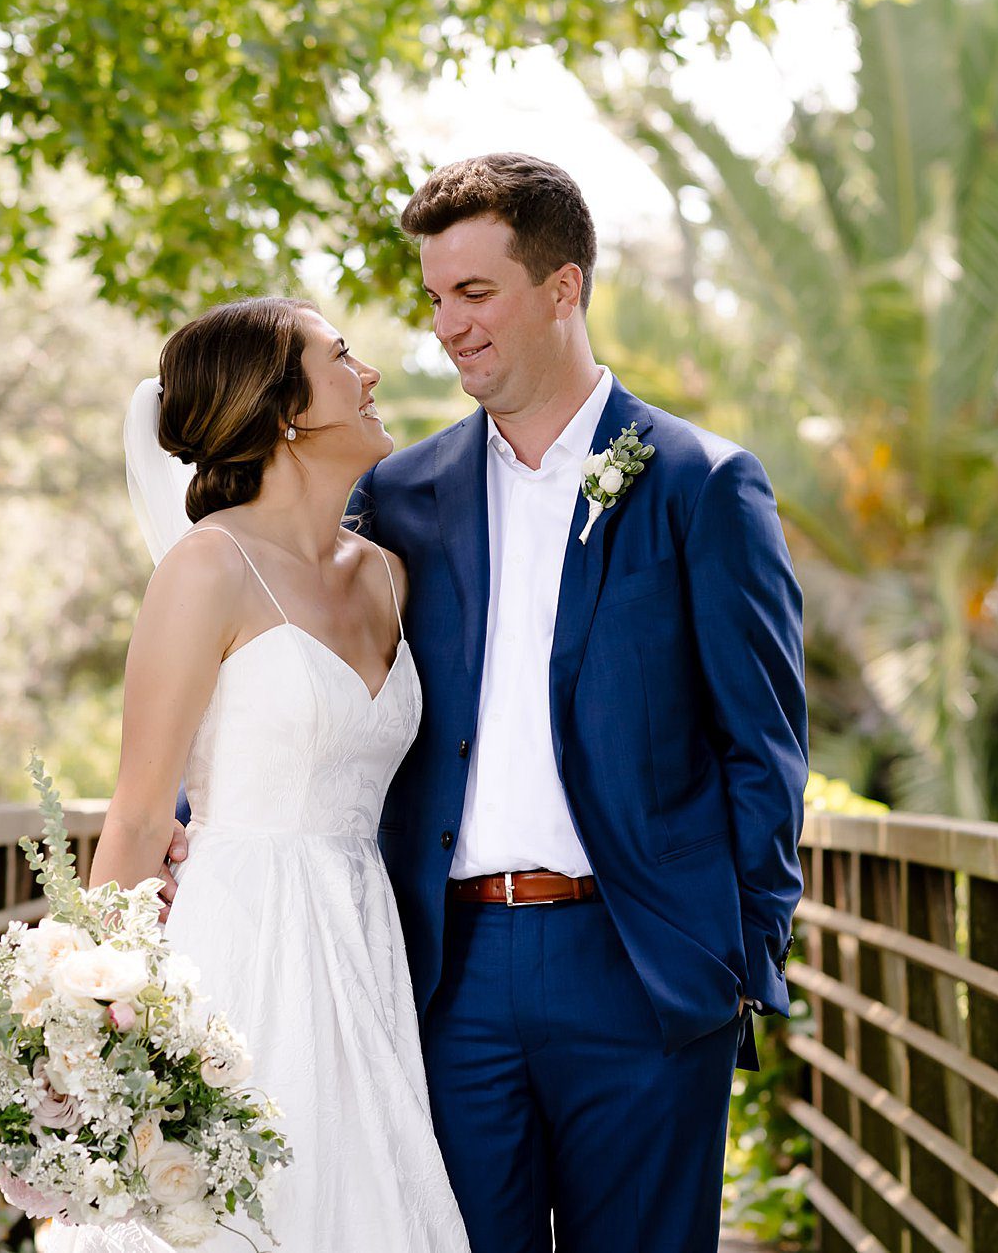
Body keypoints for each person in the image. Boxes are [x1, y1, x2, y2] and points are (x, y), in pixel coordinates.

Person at [351, 152, 808, 1253]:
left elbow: (763, 747)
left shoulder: (700, 483)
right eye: (433, 299)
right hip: (450, 978)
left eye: (474, 292)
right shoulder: (398, 497)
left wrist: (735, 959)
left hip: (641, 966)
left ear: (563, 288)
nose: (448, 326)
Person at [85, 296, 469, 1252]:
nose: (371, 375)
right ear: (285, 409)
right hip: (241, 943)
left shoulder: (386, 574)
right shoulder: (206, 571)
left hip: (367, 936)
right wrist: (89, 1025)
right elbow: (136, 818)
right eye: (342, 357)